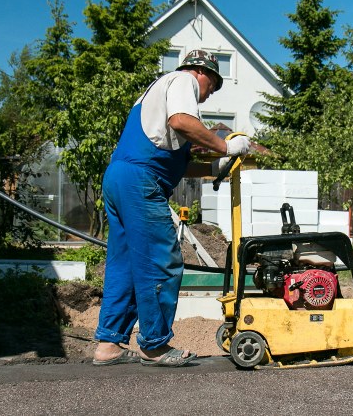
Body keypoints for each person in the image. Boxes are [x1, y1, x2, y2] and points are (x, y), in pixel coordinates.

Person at [92, 49, 251, 367]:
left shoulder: (154, 94)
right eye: (212, 88)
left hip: (119, 178)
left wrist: (216, 164)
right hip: (139, 180)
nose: (206, 97)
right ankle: (154, 345)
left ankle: (109, 345)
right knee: (161, 260)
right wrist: (226, 145)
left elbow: (172, 162)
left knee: (125, 265)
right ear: (204, 74)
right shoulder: (183, 80)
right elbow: (181, 121)